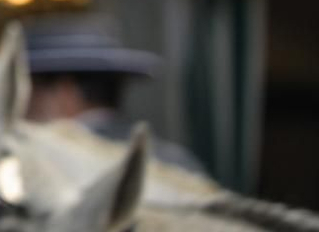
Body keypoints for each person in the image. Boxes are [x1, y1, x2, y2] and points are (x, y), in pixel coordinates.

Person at [21, 14, 206, 175]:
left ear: (65, 92)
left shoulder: (47, 169)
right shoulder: (178, 162)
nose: (24, 109)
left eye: (30, 93)